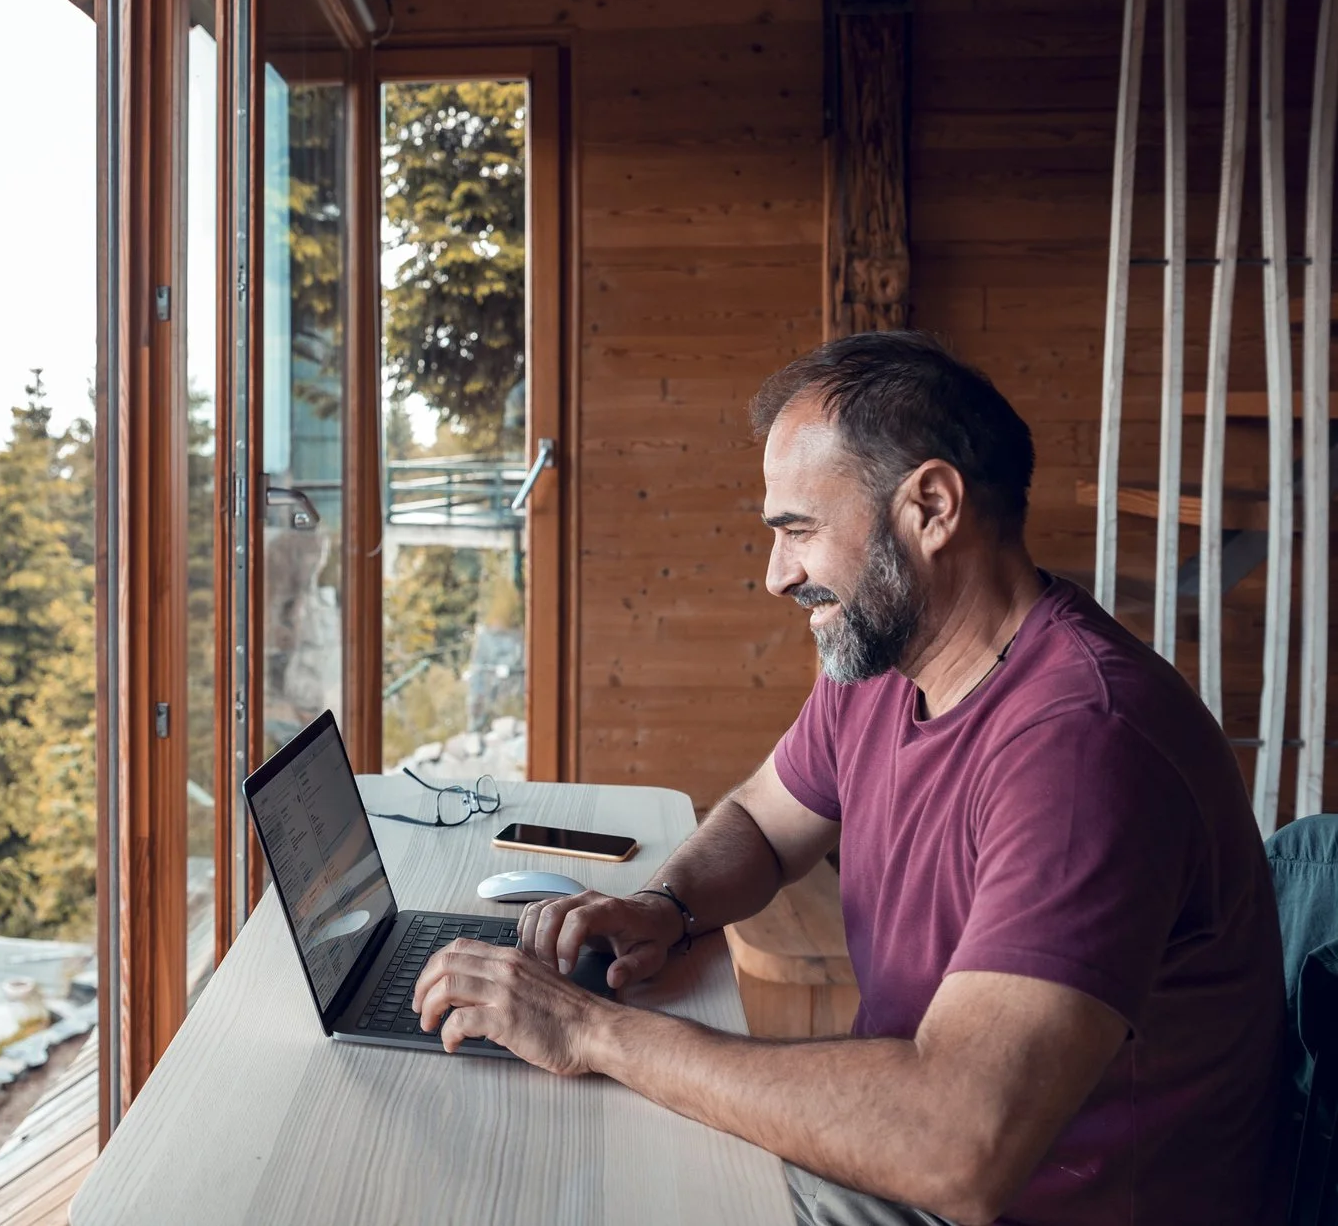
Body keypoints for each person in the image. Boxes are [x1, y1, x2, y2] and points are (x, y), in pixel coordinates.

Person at [412, 331, 1283, 1225]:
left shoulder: (1083, 745)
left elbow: (958, 1144)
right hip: (914, 1156)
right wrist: (666, 905)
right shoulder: (886, 664)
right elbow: (760, 818)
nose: (775, 575)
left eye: (799, 530)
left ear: (932, 506)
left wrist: (591, 1029)